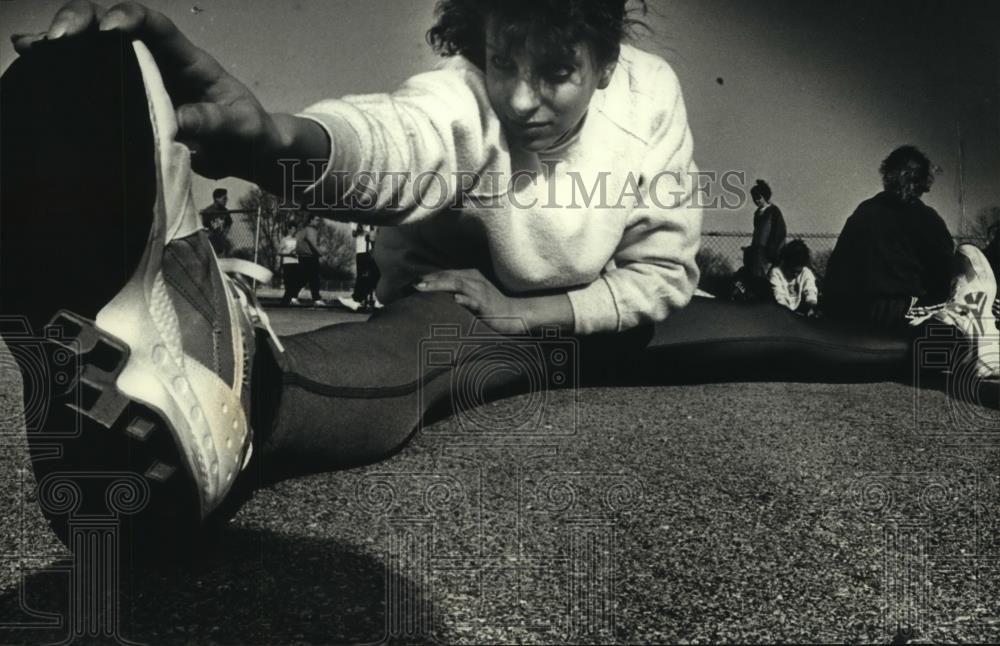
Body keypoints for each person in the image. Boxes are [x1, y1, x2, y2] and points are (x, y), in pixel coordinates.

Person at [3, 0, 701, 547]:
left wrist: (548, 313)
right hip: (464, 298)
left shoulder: (649, 99)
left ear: (607, 62)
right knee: (423, 346)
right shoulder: (468, 99)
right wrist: (277, 143)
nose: (519, 98)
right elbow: (405, 136)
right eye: (502, 62)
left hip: (596, 305)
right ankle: (242, 393)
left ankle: (816, 340)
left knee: (787, 339)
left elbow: (665, 270)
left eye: (555, 72)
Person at [823, 145, 996, 375]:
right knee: (952, 315)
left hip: (854, 315)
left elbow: (835, 273)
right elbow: (943, 276)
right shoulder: (926, 219)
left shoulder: (862, 213)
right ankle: (973, 343)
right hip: (900, 309)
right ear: (924, 182)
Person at [747, 179, 787, 281]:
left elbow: (780, 232)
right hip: (758, 250)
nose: (756, 200)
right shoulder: (757, 213)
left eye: (759, 197)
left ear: (765, 196)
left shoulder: (774, 211)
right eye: (754, 198)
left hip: (770, 252)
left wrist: (773, 251)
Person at [339, 224, 382, 312]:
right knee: (364, 274)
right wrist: (364, 230)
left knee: (375, 273)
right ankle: (359, 299)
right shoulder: (359, 217)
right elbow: (354, 233)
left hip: (375, 248)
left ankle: (360, 299)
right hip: (363, 249)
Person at [768, 239, 817, 315]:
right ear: (785, 264)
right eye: (792, 271)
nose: (796, 275)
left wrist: (811, 304)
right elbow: (779, 296)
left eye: (798, 272)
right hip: (783, 312)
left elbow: (810, 290)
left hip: (801, 312)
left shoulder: (806, 272)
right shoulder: (776, 272)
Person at [295, 214, 327, 307]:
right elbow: (313, 244)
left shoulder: (302, 231)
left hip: (302, 257)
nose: (318, 222)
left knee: (303, 278)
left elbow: (298, 245)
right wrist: (320, 254)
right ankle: (316, 299)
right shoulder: (311, 230)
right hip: (311, 257)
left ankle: (292, 296)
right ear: (311, 221)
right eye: (316, 220)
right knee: (314, 279)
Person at [278, 222, 302, 306]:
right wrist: (289, 254)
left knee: (295, 281)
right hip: (287, 262)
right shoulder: (284, 240)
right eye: (292, 229)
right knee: (288, 282)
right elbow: (279, 252)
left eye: (295, 229)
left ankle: (291, 299)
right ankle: (286, 300)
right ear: (289, 229)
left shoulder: (297, 240)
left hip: (296, 262)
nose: (294, 231)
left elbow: (300, 251)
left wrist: (298, 253)